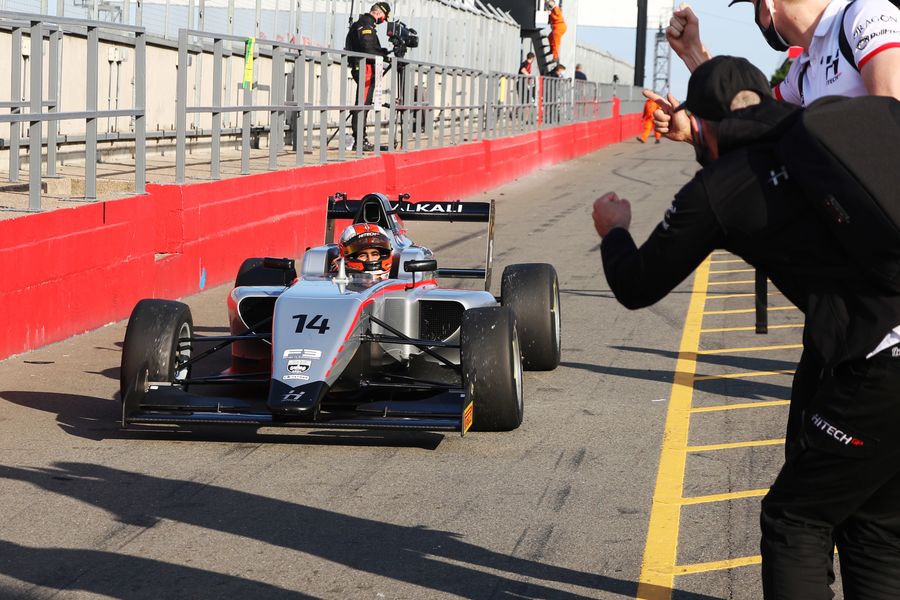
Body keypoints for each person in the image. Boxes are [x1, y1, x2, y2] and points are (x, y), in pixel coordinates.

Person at [592, 55, 900, 599]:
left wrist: (615, 231)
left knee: (796, 519)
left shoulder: (719, 187)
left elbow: (637, 286)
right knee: (873, 525)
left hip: (878, 360)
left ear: (699, 121)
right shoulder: (813, 134)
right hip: (884, 345)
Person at [653, 0, 900, 142]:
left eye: (754, 5)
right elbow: (749, 115)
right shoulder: (802, 68)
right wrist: (692, 52)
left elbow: (892, 116)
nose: (756, 20)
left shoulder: (865, 14)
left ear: (769, 4)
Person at [345, 2, 391, 152]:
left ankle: (360, 138)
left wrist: (383, 52)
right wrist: (383, 54)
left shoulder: (363, 23)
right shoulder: (366, 25)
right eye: (384, 17)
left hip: (363, 67)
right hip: (365, 68)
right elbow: (368, 49)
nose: (383, 21)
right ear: (379, 13)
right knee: (363, 104)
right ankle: (359, 140)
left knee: (363, 103)